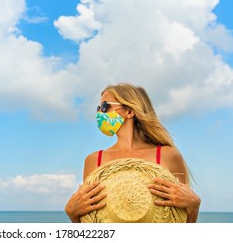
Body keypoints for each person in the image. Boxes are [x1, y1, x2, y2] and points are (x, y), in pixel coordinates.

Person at [65, 83, 201, 223]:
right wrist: (73, 215)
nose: (100, 113)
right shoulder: (94, 160)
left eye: (105, 106)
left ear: (129, 112)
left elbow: (180, 221)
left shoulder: (167, 155)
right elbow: (91, 224)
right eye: (98, 108)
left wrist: (193, 207)